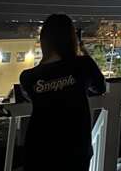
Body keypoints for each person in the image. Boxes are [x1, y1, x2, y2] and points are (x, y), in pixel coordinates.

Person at [20, 14, 106, 171]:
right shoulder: (82, 65)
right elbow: (100, 87)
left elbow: (29, 96)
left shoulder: (28, 77)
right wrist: (82, 49)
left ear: (44, 41)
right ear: (72, 39)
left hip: (38, 153)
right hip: (75, 153)